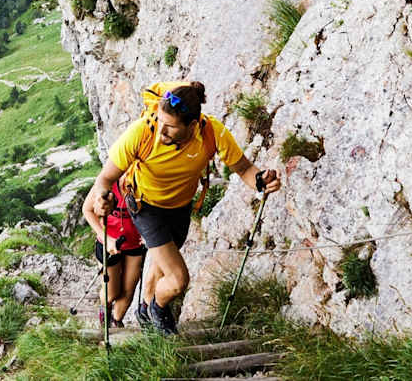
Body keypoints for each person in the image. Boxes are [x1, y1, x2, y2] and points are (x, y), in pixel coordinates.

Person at [86, 81, 281, 335]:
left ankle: (144, 310)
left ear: (191, 125)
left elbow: (243, 169)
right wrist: (102, 196)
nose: (161, 132)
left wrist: (259, 180)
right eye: (160, 122)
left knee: (160, 266)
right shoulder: (143, 132)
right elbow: (105, 178)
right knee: (178, 279)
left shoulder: (212, 132)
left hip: (179, 208)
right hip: (145, 207)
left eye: (170, 128)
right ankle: (158, 309)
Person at [81, 180, 146, 328]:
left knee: (129, 290)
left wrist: (149, 232)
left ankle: (116, 323)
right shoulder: (108, 181)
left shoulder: (146, 181)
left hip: (135, 243)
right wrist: (105, 237)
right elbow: (87, 209)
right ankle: (106, 310)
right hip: (108, 244)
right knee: (111, 294)